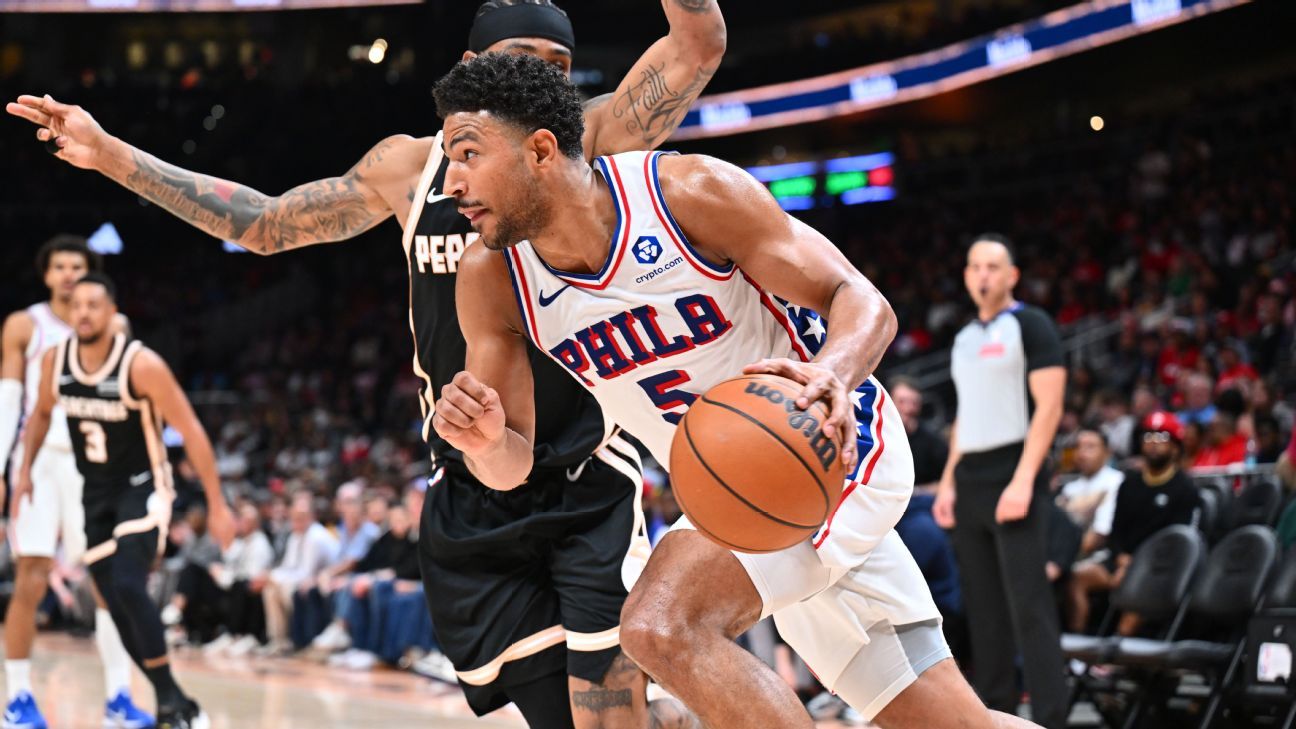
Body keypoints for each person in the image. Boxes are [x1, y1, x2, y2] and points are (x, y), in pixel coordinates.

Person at [7, 2, 725, 724]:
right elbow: (263, 224)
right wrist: (110, 154)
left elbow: (696, 45)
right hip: (472, 479)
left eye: (559, 65)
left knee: (609, 712)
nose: (543, 75)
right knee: (555, 715)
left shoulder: (584, 141)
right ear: (472, 68)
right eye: (523, 55)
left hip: (584, 468)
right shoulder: (410, 169)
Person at [429, 52, 1040, 729]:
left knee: (660, 626)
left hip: (825, 445)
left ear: (541, 150)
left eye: (467, 154)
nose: (450, 182)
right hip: (733, 491)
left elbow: (859, 298)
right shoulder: (491, 277)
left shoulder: (686, 193)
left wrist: (832, 375)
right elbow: (510, 467)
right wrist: (485, 442)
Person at [13, 273, 234, 729]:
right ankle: (174, 699)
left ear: (113, 312)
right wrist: (24, 473)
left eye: (94, 305)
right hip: (94, 491)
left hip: (143, 486)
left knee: (129, 583)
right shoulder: (56, 361)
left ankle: (170, 702)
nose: (84, 313)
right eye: (77, 305)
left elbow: (191, 430)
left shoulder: (141, 364)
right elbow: (40, 415)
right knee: (114, 603)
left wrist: (217, 503)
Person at [0, 236, 152, 729]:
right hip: (39, 462)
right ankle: (18, 698)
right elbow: (9, 399)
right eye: (60, 266)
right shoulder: (24, 325)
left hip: (97, 466)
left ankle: (119, 698)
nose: (68, 274)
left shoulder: (115, 325)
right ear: (46, 275)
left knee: (108, 581)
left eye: (77, 266)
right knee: (31, 575)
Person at [932, 233, 1068, 728]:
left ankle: (1051, 718)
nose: (983, 275)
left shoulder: (1031, 325)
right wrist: (949, 481)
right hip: (971, 477)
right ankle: (997, 718)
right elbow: (965, 416)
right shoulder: (965, 337)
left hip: (1015, 470)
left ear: (1012, 275)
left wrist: (1025, 478)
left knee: (1029, 607)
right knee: (984, 612)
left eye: (993, 266)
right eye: (975, 266)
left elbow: (1050, 406)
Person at [1066, 412, 1200, 634]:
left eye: (1162, 437)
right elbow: (1116, 530)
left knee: (1137, 595)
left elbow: (1179, 540)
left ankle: (1117, 650)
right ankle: (1076, 644)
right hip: (1121, 561)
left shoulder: (1185, 488)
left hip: (1158, 568)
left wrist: (1137, 564)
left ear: (1175, 447)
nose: (1153, 443)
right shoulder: (1129, 483)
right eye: (1148, 437)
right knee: (1076, 578)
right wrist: (1121, 558)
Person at [1057, 427, 1124, 557]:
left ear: (1107, 452)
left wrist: (1062, 558)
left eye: (1090, 447)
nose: (1082, 454)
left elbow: (1100, 534)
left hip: (1101, 556)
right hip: (1066, 554)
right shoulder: (1069, 488)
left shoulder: (1116, 481)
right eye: (1078, 447)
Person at [888, 377, 948, 494]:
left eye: (914, 403)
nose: (908, 408)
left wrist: (917, 492)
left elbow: (949, 481)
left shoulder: (933, 441)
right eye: (901, 401)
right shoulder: (876, 437)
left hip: (920, 499)